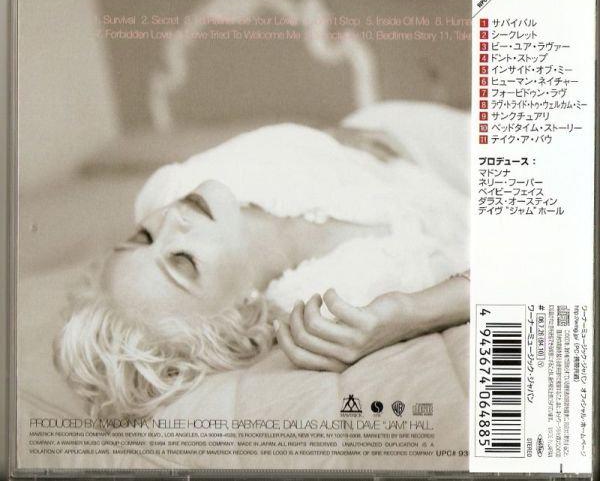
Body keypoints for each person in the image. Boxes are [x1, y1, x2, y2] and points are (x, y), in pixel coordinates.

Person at [54, 102, 470, 419]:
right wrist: (412, 312)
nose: (171, 220)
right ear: (238, 316)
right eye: (182, 261)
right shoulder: (334, 300)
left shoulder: (177, 184)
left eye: (142, 236)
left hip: (406, 135)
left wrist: (328, 139)